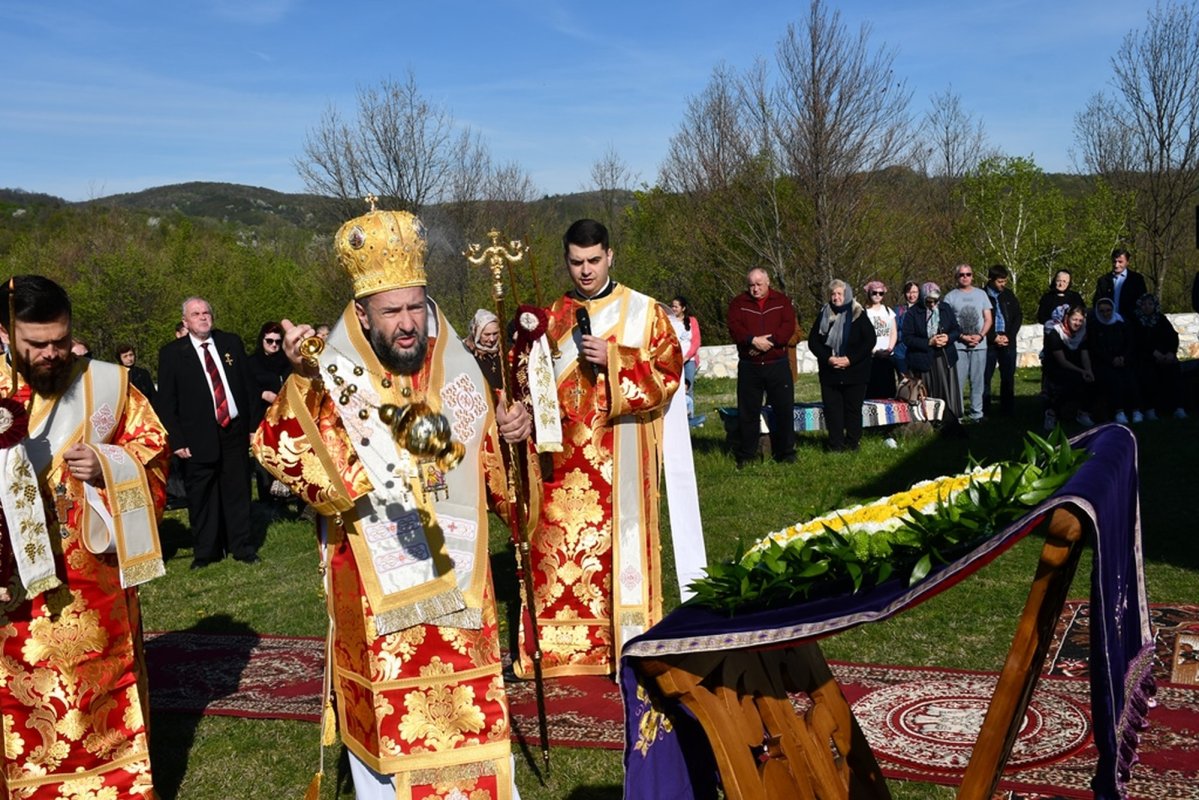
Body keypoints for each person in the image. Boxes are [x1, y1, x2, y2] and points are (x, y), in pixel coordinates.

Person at [253, 206, 532, 800]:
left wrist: (512, 434)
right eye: (392, 312)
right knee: (393, 740)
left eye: (415, 307)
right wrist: (302, 381)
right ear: (362, 313)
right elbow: (280, 451)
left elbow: (496, 475)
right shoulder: (332, 377)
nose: (408, 325)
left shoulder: (456, 369)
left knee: (473, 724)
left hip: (461, 588)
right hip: (377, 595)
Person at [0, 274, 168, 798]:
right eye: (36, 344)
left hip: (99, 589)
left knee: (108, 698)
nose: (52, 354)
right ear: (5, 334)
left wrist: (108, 463)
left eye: (60, 340)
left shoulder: (108, 387)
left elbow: (153, 452)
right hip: (15, 595)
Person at [518, 218, 681, 679]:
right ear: (566, 261)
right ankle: (562, 650)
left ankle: (623, 642)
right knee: (556, 553)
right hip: (562, 464)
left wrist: (614, 359)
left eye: (593, 260)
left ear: (610, 256)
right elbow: (530, 386)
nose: (586, 271)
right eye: (576, 262)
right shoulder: (550, 316)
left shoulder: (644, 312)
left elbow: (669, 374)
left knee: (616, 552)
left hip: (620, 457)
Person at [156, 296, 258, 568]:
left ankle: (242, 547)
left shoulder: (230, 343)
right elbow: (166, 403)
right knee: (202, 497)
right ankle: (206, 552)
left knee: (238, 491)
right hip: (196, 437)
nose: (202, 317)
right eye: (196, 314)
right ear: (185, 322)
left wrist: (252, 427)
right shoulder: (172, 354)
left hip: (234, 431)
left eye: (206, 312)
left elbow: (248, 386)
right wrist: (177, 440)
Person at [726, 267, 798, 467]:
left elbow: (788, 326)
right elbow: (734, 327)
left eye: (759, 284)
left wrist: (771, 342)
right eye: (751, 285)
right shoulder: (738, 303)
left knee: (783, 410)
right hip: (750, 366)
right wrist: (752, 340)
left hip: (777, 364)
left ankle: (786, 452)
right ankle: (747, 455)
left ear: (768, 283)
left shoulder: (781, 301)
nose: (755, 289)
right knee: (748, 413)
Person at [808, 279, 877, 451]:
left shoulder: (858, 313)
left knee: (853, 409)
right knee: (833, 410)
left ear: (847, 295)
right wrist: (828, 358)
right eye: (833, 294)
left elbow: (869, 340)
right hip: (830, 371)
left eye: (839, 294)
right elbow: (813, 342)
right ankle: (835, 445)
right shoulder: (824, 313)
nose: (836, 297)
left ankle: (853, 443)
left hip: (855, 371)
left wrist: (850, 359)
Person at [900, 282, 963, 419]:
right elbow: (907, 338)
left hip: (944, 358)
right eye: (929, 301)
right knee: (928, 393)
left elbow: (956, 329)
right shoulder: (913, 313)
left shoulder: (945, 308)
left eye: (935, 301)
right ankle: (929, 419)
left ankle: (949, 419)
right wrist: (929, 342)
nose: (933, 304)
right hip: (923, 360)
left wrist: (948, 337)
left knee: (946, 392)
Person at [248, 321, 292, 509]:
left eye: (278, 341)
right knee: (265, 458)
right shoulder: (252, 363)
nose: (274, 345)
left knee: (287, 454)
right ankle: (267, 501)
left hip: (286, 416)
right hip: (262, 416)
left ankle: (290, 496)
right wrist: (262, 393)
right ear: (262, 340)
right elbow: (246, 389)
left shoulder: (287, 361)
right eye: (269, 341)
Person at [1130, 292, 1187, 420]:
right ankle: (1150, 409)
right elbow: (1138, 342)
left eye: (1150, 304)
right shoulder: (1136, 321)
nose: (1147, 307)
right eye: (1144, 304)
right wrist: (1154, 353)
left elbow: (1172, 336)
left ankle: (1178, 407)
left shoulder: (1161, 319)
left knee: (1175, 371)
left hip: (1165, 356)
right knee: (1147, 374)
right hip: (1145, 357)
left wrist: (1171, 352)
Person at [1042, 303, 1096, 430]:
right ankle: (1051, 413)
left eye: (1080, 320)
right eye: (1074, 319)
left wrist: (1088, 371)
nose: (1077, 323)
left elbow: (1084, 354)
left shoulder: (1082, 333)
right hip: (1057, 367)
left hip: (1076, 366)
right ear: (1067, 318)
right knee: (1071, 380)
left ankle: (1083, 412)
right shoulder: (1055, 333)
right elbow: (1061, 361)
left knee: (1093, 379)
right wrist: (1082, 371)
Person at [1087, 297, 1141, 424]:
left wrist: (1123, 357)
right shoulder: (1094, 326)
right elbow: (1094, 348)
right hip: (1104, 363)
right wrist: (1111, 359)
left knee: (1131, 378)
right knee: (1113, 379)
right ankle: (1119, 412)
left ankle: (1136, 411)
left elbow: (1130, 343)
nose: (1105, 314)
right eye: (1102, 311)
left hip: (1124, 361)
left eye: (1108, 310)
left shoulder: (1122, 324)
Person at [983, 264, 1023, 416]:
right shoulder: (982, 296)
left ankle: (1007, 409)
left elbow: (1018, 316)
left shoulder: (1008, 295)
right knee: (985, 377)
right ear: (991, 280)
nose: (1003, 284)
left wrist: (1009, 336)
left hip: (1008, 341)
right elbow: (980, 320)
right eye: (1000, 281)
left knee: (1008, 377)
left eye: (1005, 281)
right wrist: (993, 337)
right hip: (989, 343)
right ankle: (984, 409)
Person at [669, 295, 704, 425]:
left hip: (689, 359)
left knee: (688, 387)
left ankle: (690, 417)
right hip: (674, 360)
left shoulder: (692, 321)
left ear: (683, 308)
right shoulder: (669, 321)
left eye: (676, 306)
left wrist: (687, 357)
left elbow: (696, 341)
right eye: (672, 306)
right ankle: (677, 416)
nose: (673, 309)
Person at [1093, 248, 1149, 322]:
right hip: (1108, 321)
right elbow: (1097, 302)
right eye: (1114, 261)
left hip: (1130, 321)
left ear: (1127, 262)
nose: (1116, 265)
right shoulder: (1103, 280)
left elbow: (1143, 301)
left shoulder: (1137, 279)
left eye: (1120, 262)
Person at [862, 280, 896, 398]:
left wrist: (890, 349)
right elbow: (863, 336)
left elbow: (893, 332)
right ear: (869, 293)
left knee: (888, 390)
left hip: (887, 357)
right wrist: (874, 351)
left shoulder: (888, 310)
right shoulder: (864, 312)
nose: (877, 295)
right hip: (871, 357)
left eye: (881, 293)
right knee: (872, 391)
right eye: (874, 293)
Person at [463, 308, 503, 392]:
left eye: (495, 333)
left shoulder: (505, 350)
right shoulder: (467, 353)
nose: (492, 339)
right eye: (487, 334)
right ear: (477, 333)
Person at [892, 280, 920, 378]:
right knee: (904, 381)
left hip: (918, 352)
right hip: (901, 352)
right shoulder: (899, 310)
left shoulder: (924, 310)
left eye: (914, 292)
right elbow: (894, 330)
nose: (912, 295)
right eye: (909, 292)